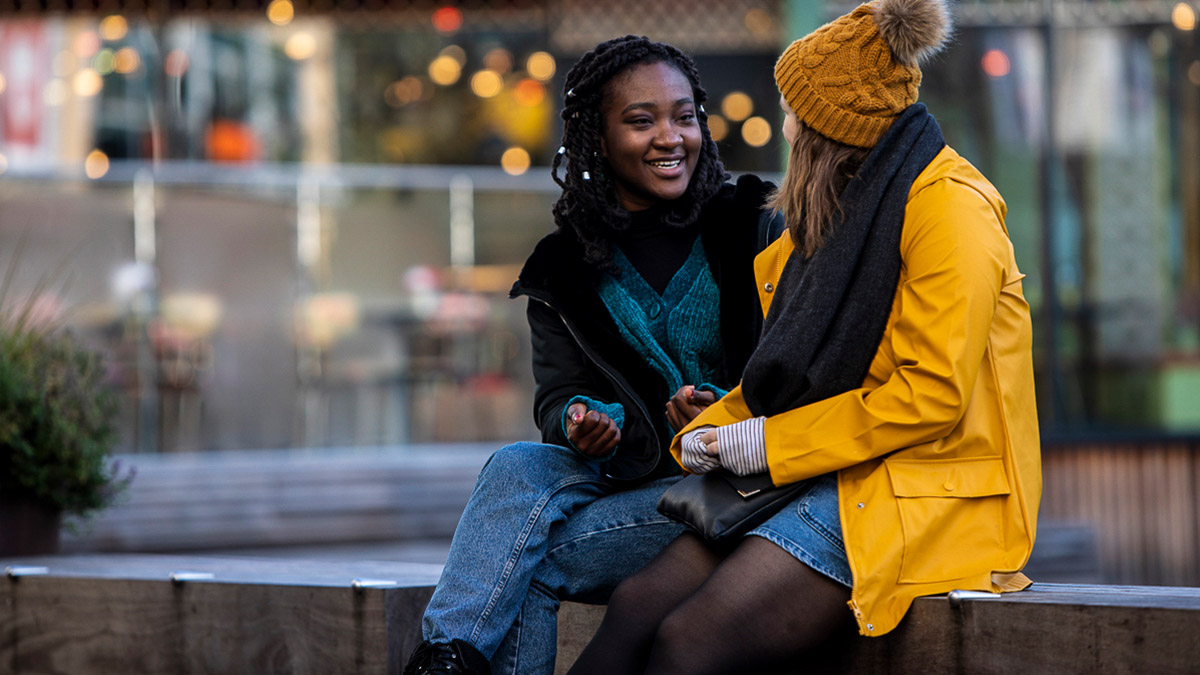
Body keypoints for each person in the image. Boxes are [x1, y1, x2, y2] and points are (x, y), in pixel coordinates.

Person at [568, 1, 1043, 673]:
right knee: (637, 604)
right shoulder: (847, 208)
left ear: (831, 128)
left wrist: (767, 444)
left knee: (690, 640)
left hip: (927, 491)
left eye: (795, 111)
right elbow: (790, 369)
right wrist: (708, 432)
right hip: (831, 471)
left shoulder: (951, 210)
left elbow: (930, 394)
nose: (786, 127)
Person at [403, 36, 781, 675]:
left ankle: (445, 658)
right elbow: (556, 400)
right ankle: (444, 660)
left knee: (522, 565)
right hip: (624, 481)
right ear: (598, 140)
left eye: (684, 116)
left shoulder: (755, 223)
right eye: (641, 121)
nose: (670, 137)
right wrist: (580, 421)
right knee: (518, 462)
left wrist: (723, 414)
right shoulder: (561, 270)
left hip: (734, 490)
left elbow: (801, 369)